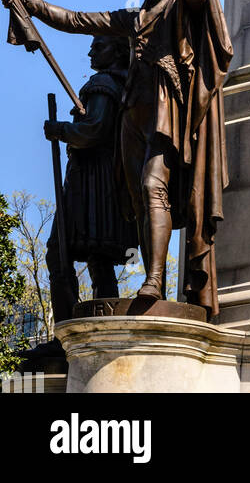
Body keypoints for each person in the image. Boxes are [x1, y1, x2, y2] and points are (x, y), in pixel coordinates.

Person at [2, 0, 232, 318]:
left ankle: (155, 280)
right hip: (133, 118)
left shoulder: (182, 2)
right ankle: (152, 280)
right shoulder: (135, 16)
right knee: (140, 203)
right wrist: (29, 3)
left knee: (151, 187)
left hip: (166, 110)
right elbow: (76, 20)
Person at [44, 35, 138, 324]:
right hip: (106, 183)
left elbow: (95, 130)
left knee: (58, 254)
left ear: (118, 51)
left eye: (99, 47)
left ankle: (64, 329)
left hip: (90, 183)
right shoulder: (123, 85)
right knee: (100, 259)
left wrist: (59, 129)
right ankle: (103, 324)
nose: (91, 52)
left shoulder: (103, 85)